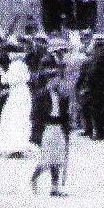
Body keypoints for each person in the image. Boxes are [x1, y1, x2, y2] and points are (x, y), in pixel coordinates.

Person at [30, 43, 71, 196]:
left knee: (58, 158)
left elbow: (65, 113)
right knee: (47, 158)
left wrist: (67, 127)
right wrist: (36, 131)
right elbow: (35, 114)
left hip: (58, 127)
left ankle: (54, 187)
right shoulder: (42, 96)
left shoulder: (61, 96)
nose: (55, 82)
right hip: (47, 127)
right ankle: (34, 177)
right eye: (52, 79)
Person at [0, 42, 34, 157]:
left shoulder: (14, 65)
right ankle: (20, 145)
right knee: (21, 119)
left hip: (16, 94)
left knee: (13, 118)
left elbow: (7, 80)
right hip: (24, 93)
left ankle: (15, 147)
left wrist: (1, 72)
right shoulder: (23, 65)